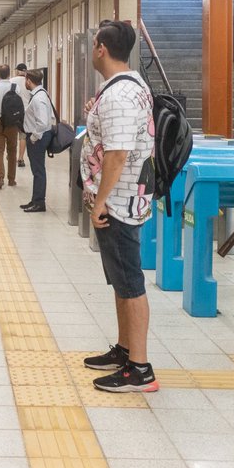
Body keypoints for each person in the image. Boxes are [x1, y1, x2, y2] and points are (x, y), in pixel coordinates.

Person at [80, 20, 159, 393]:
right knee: (121, 281)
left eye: (93, 44)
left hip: (118, 204)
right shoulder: (127, 87)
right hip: (124, 199)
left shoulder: (119, 96)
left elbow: (117, 155)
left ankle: (140, 369)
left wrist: (100, 202)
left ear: (101, 48)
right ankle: (125, 350)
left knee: (131, 284)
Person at [19, 68, 54, 212]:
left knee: (38, 171)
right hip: (38, 136)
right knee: (37, 170)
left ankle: (39, 202)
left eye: (25, 80)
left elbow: (43, 122)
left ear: (29, 81)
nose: (25, 83)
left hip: (38, 138)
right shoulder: (40, 94)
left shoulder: (38, 98)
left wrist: (33, 137)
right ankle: (35, 200)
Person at [10, 64, 32, 169]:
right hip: (26, 112)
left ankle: (12, 156)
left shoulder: (12, 81)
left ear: (18, 71)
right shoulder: (29, 81)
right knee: (23, 136)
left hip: (14, 111)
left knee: (13, 135)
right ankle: (21, 158)